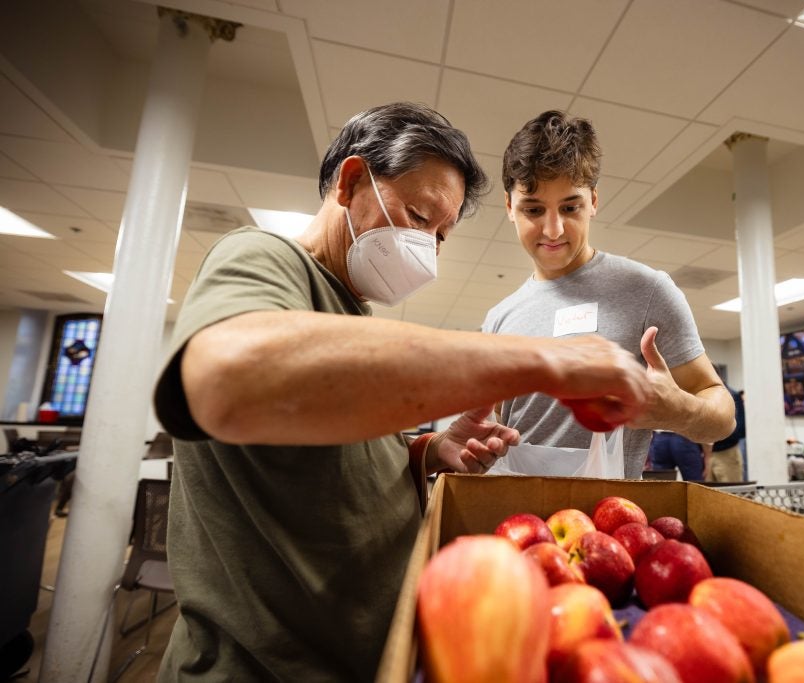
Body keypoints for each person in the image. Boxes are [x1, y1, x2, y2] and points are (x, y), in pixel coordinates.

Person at [152, 102, 651, 682]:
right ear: (351, 182)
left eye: (441, 236)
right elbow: (227, 380)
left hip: (367, 654)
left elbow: (321, 457)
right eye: (418, 216)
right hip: (265, 667)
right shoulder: (263, 258)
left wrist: (428, 449)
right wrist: (544, 361)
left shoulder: (352, 312)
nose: (428, 249)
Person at [482, 111, 735, 479]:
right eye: (533, 209)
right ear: (509, 207)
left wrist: (679, 410)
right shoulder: (498, 318)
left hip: (609, 525)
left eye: (570, 207)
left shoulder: (647, 290)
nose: (553, 229)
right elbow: (494, 429)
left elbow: (722, 415)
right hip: (518, 525)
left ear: (594, 201)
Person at [705, 385, 746, 483]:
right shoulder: (706, 396)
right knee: (709, 495)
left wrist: (713, 433)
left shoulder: (732, 396)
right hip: (709, 454)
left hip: (727, 454)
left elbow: (740, 430)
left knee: (730, 494)